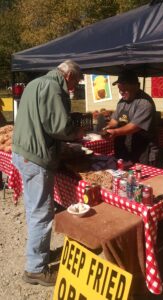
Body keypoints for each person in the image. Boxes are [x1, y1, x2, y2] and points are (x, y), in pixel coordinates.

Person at [12, 60, 84, 286]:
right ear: (69, 74)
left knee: (34, 208)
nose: (73, 87)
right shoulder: (54, 87)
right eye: (75, 82)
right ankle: (35, 269)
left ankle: (39, 254)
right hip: (36, 157)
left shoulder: (35, 83)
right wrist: (76, 133)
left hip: (23, 151)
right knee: (42, 213)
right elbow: (59, 126)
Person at [106, 70, 159, 165]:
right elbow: (114, 121)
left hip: (143, 150)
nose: (121, 93)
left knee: (142, 178)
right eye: (120, 89)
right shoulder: (122, 102)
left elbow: (134, 126)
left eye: (124, 90)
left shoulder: (145, 103)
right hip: (126, 149)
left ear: (136, 86)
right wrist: (106, 129)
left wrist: (115, 132)